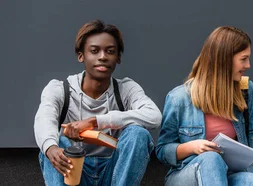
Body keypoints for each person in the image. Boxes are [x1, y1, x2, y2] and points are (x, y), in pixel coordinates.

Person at [34, 20, 162, 186]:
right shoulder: (60, 89)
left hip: (114, 170)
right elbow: (44, 120)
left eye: (110, 51)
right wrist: (51, 148)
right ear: (81, 56)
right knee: (55, 143)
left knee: (138, 134)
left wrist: (96, 121)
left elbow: (154, 116)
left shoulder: (126, 89)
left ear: (118, 58)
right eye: (94, 51)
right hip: (73, 169)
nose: (102, 57)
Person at [156, 26, 253, 186]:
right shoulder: (179, 98)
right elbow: (162, 150)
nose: (248, 65)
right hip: (187, 174)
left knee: (249, 180)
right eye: (243, 59)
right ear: (224, 60)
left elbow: (251, 147)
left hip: (230, 173)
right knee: (211, 158)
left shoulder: (247, 90)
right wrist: (193, 147)